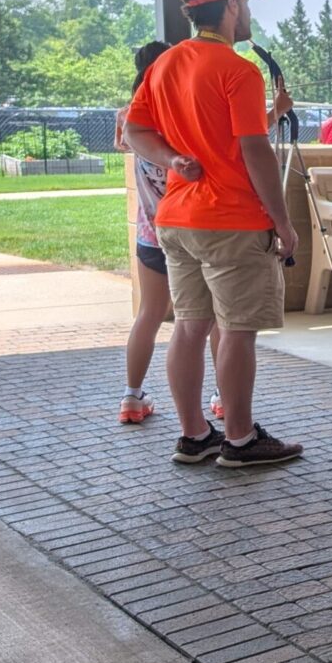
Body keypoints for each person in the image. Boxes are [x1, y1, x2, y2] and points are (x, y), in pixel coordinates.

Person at [123, 0, 302, 468]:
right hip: (232, 222)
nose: (249, 12)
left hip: (176, 220)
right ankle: (241, 440)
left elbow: (134, 131)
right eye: (245, 3)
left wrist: (171, 160)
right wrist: (283, 223)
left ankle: (194, 435)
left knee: (190, 328)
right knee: (238, 330)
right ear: (229, 8)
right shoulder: (237, 69)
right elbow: (255, 150)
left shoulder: (165, 65)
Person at [117, 42, 216, 423]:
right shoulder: (177, 113)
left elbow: (122, 140)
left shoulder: (129, 116)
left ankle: (131, 398)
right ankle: (224, 397)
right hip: (188, 227)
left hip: (150, 233)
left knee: (150, 313)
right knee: (213, 320)